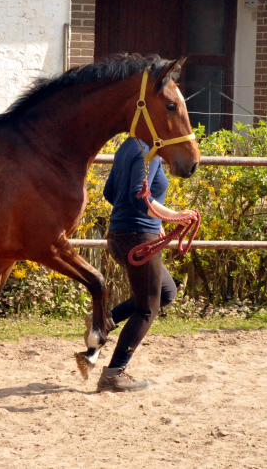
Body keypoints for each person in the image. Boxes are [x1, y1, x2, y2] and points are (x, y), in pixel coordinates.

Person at [91, 136, 197, 392]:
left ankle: (106, 320)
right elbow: (141, 198)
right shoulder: (147, 152)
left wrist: (155, 221)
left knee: (166, 292)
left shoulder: (128, 146)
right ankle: (113, 374)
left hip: (121, 234)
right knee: (146, 309)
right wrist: (172, 215)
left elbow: (110, 193)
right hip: (137, 237)